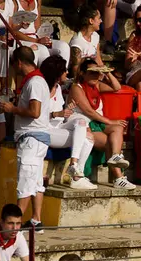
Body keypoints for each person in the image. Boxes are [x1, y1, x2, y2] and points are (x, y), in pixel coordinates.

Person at [0, 46, 51, 232]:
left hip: (31, 138)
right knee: (35, 183)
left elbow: (34, 112)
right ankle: (36, 220)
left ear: (19, 62)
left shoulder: (34, 82)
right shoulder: (37, 80)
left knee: (25, 184)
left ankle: (13, 228)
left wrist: (13, 109)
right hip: (36, 138)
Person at [68, 59, 135, 190]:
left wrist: (107, 72)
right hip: (86, 123)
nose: (96, 76)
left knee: (118, 128)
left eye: (97, 73)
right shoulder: (77, 87)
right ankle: (118, 178)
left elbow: (117, 87)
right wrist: (109, 121)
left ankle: (116, 156)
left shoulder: (97, 85)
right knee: (110, 141)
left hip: (98, 122)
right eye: (92, 73)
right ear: (82, 73)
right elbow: (89, 111)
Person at [40, 55, 97, 190]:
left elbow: (60, 114)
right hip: (46, 129)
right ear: (57, 72)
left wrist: (66, 111)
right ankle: (77, 177)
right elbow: (36, 115)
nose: (67, 72)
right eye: (64, 70)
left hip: (59, 126)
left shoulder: (58, 88)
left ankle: (74, 166)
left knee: (82, 123)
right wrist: (56, 114)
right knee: (86, 139)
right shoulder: (42, 88)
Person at [13, 0, 71, 69]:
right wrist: (36, 41)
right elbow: (13, 30)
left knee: (63, 46)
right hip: (21, 39)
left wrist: (44, 37)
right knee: (42, 50)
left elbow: (37, 27)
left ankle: (62, 74)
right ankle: (43, 77)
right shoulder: (14, 2)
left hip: (35, 37)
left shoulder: (37, 1)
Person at [69, 4, 105, 79]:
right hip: (82, 79)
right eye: (99, 18)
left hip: (93, 76)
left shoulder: (95, 36)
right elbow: (75, 70)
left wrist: (105, 73)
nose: (101, 21)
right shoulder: (77, 42)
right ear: (91, 21)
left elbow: (98, 59)